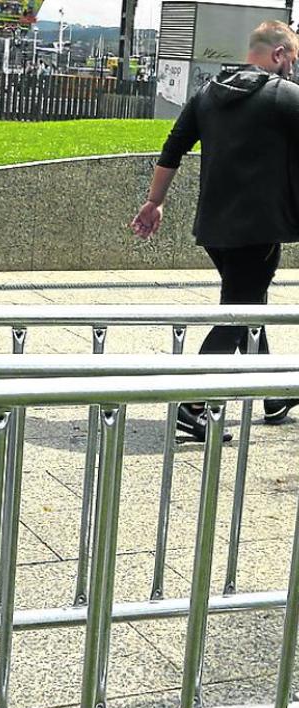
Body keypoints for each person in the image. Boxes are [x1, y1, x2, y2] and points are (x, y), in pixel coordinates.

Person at [131, 20, 299, 441]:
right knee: (238, 313)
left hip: (214, 227)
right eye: (292, 60)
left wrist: (155, 201)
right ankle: (192, 405)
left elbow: (173, 149)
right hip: (258, 229)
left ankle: (275, 391)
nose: (293, 69)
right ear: (279, 54)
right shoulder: (282, 97)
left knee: (249, 303)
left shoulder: (207, 93)